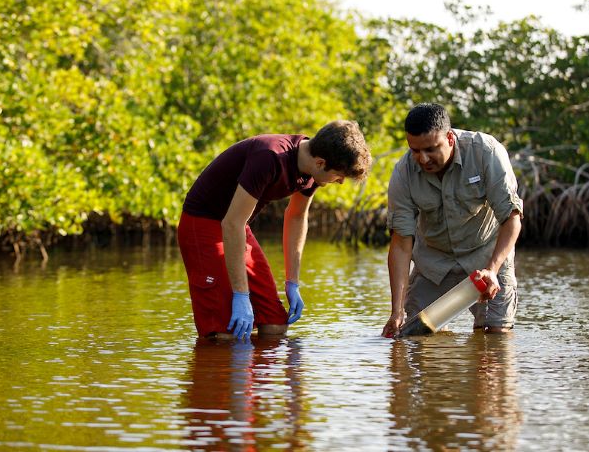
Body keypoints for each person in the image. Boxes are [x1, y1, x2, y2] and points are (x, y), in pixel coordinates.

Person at [178, 120, 372, 341]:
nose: (340, 182)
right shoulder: (270, 157)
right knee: (226, 333)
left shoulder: (313, 171)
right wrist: (241, 295)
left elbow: (297, 216)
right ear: (320, 163)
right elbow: (231, 224)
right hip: (203, 223)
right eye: (340, 176)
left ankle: (257, 374)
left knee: (274, 325)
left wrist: (293, 282)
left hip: (238, 226)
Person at [381, 103, 523, 337]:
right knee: (415, 338)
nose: (423, 159)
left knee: (494, 339)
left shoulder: (486, 152)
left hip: (485, 257)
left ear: (449, 138)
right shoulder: (403, 173)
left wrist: (492, 269)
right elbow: (401, 243)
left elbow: (511, 218)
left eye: (430, 149)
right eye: (415, 150)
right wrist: (396, 312)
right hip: (433, 265)